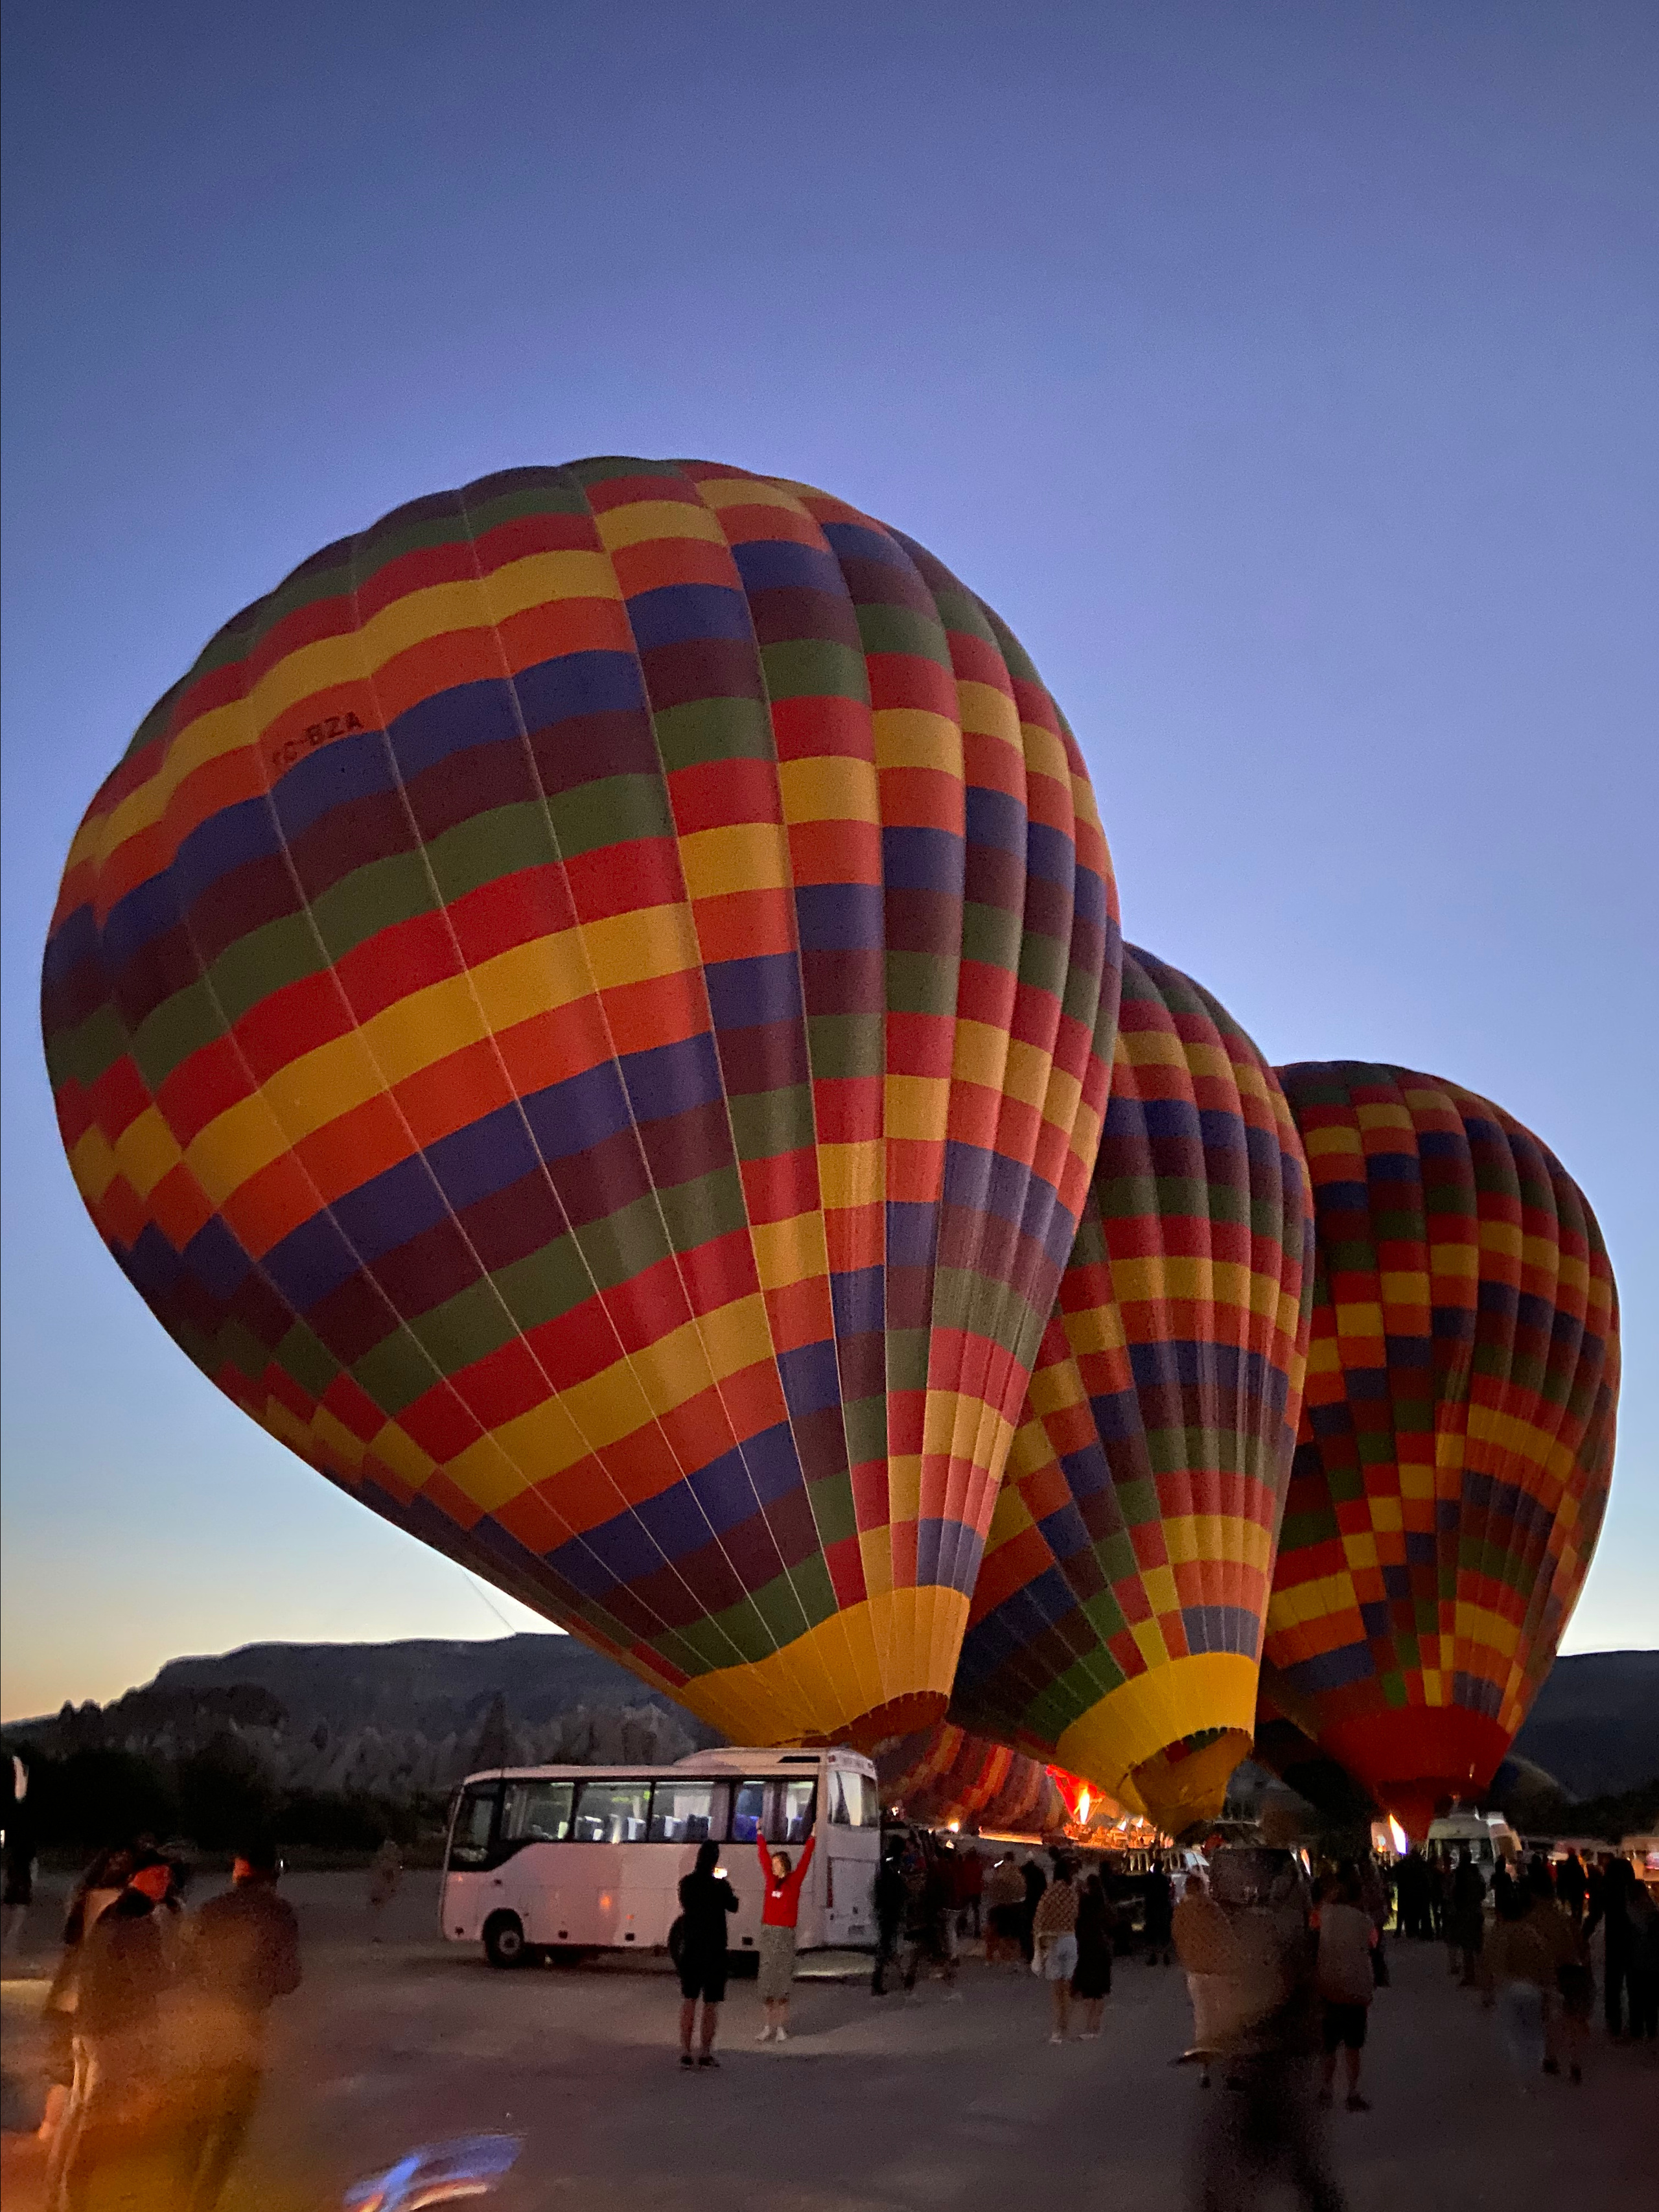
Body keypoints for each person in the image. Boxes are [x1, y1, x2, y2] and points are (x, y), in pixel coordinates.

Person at [175, 1839, 301, 2212]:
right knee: (230, 2125)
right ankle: (203, 2201)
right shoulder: (279, 1914)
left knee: (195, 2119)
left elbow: (182, 1964)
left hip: (200, 2025)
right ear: (272, 1872)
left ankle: (182, 2194)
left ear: (240, 1869)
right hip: (247, 2028)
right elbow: (289, 1977)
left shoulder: (211, 1909)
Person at [45, 1852, 176, 2212]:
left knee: (77, 2113)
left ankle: (54, 2195)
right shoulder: (139, 1920)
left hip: (86, 2028)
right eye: (160, 1876)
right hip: (111, 2034)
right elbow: (151, 1979)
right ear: (140, 1877)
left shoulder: (109, 1912)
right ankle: (74, 2202)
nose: (166, 1883)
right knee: (93, 2122)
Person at [1312, 1867, 1377, 2113]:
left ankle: (1326, 2088)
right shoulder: (1364, 1921)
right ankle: (1352, 2092)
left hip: (1330, 1986)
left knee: (1329, 2044)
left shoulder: (1326, 1914)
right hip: (1355, 1990)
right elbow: (1373, 1942)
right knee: (1353, 2045)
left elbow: (1314, 1921)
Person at [673, 1840, 737, 2069]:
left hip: (691, 1949)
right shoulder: (720, 1885)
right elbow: (734, 1906)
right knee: (711, 2004)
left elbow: (685, 1904)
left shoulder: (687, 1883)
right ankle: (705, 2052)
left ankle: (685, 2051)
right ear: (715, 1860)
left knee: (689, 2000)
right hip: (715, 1951)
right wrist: (722, 1881)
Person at [755, 1821, 816, 2042]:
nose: (773, 1866)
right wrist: (759, 1833)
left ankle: (780, 2027)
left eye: (776, 1863)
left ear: (784, 1865)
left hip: (785, 1935)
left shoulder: (794, 1881)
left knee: (782, 1984)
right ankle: (767, 2027)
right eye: (773, 1863)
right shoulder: (771, 1881)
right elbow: (762, 1857)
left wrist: (812, 1838)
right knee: (767, 1985)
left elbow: (806, 1860)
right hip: (769, 1933)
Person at [1585, 1853, 1637, 2039]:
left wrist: (1585, 1936)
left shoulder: (1606, 1890)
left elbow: (1595, 1914)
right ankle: (1636, 2025)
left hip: (1614, 1939)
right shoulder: (1633, 1890)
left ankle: (1614, 2023)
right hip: (1634, 1939)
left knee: (1613, 1983)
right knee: (1634, 1983)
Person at [1032, 1856, 1080, 2043]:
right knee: (1067, 1987)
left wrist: (1038, 1941)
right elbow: (1076, 1914)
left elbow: (1040, 1918)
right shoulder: (1072, 1893)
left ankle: (1057, 2031)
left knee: (1056, 1990)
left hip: (1054, 1940)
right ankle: (1066, 2026)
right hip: (1070, 1938)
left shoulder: (1050, 1893)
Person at [1071, 1871, 1115, 2038]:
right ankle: (1096, 2026)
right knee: (1099, 1990)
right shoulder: (1103, 1904)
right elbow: (1112, 1924)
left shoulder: (1083, 1903)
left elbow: (1076, 1921)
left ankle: (1089, 2026)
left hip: (1086, 1947)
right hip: (1102, 1948)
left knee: (1088, 1989)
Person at [870, 1842, 908, 1996]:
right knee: (887, 1947)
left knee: (888, 1946)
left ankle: (891, 1978)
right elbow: (897, 1887)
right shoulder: (892, 1865)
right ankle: (878, 1982)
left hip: (885, 1911)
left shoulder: (885, 1861)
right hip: (890, 1912)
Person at [1625, 1874, 1659, 2042]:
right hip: (1653, 1962)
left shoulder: (1632, 1910)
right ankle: (1652, 2030)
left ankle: (1637, 2030)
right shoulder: (1653, 1907)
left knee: (1637, 1997)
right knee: (1652, 1998)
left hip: (1639, 1960)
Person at [1448, 1848, 1486, 1988]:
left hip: (1464, 1913)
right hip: (1476, 1911)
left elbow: (1453, 1893)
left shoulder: (1459, 1874)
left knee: (1467, 1948)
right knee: (1478, 1947)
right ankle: (1482, 1975)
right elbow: (1483, 1891)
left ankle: (1470, 1976)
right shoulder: (1476, 1873)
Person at [984, 1854, 1027, 1968]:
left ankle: (992, 1957)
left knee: (995, 1933)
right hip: (1016, 1906)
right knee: (1013, 1934)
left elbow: (992, 1886)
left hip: (999, 1905)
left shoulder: (1000, 1871)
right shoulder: (1018, 1873)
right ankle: (1012, 1958)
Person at [366, 1838, 404, 1936]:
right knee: (379, 1908)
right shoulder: (387, 1862)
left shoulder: (386, 1860)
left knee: (379, 1909)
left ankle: (377, 1932)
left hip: (383, 1889)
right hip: (382, 1889)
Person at [1144, 1859, 1176, 1966]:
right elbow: (1169, 1892)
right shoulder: (1164, 1879)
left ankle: (1153, 1956)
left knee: (1153, 1931)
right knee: (1163, 1932)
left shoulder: (1150, 1879)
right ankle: (1165, 1955)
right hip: (1162, 1907)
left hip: (1152, 1907)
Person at [1020, 1854, 1047, 1964]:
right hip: (1036, 1903)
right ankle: (1034, 1952)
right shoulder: (1040, 1872)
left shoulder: (1022, 1871)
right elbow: (1044, 1888)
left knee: (1025, 1927)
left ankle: (1025, 1950)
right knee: (1035, 1928)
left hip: (1026, 1902)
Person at [954, 1841, 984, 1940]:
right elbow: (980, 1876)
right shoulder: (977, 1865)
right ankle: (977, 1930)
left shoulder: (963, 1865)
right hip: (976, 1890)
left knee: (963, 1910)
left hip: (966, 1890)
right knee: (976, 1911)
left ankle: (960, 1928)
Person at [1554, 1848, 1586, 1928]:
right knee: (1579, 1909)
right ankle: (1578, 1924)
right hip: (1578, 1892)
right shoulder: (1579, 1868)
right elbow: (1583, 1880)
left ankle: (1572, 1924)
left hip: (1569, 1892)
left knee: (1572, 1908)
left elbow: (1561, 1880)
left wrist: (1560, 1892)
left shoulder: (1565, 1868)